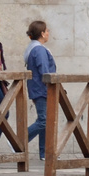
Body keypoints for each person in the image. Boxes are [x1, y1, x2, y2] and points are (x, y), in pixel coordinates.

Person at [25, 20, 56, 160]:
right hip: (42, 89)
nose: (49, 33)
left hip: (39, 88)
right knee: (43, 120)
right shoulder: (39, 50)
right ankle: (19, 141)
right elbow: (45, 71)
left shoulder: (33, 48)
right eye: (47, 31)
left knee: (46, 121)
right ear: (42, 34)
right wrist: (51, 85)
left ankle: (44, 153)